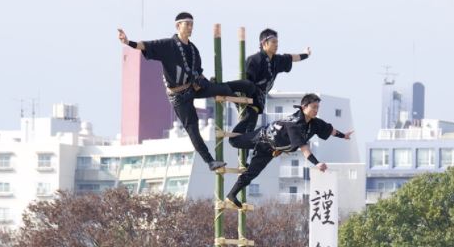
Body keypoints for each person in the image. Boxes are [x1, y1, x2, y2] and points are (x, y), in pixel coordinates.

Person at [117, 13, 257, 171]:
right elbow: (145, 45)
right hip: (178, 96)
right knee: (193, 128)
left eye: (192, 24)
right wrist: (128, 42)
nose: (190, 27)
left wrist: (204, 81)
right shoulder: (167, 44)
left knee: (222, 88)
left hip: (194, 87)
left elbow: (197, 71)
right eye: (187, 24)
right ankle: (210, 161)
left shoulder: (193, 49)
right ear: (178, 26)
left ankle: (249, 90)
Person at [225, 93, 354, 208]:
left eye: (317, 108)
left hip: (271, 150)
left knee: (252, 173)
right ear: (304, 107)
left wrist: (344, 136)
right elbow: (305, 150)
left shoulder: (315, 123)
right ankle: (249, 114)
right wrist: (317, 163)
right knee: (233, 141)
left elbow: (330, 130)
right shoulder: (295, 124)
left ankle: (231, 194)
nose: (316, 110)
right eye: (313, 107)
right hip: (262, 138)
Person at [233, 28, 311, 137]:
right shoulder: (254, 59)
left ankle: (242, 147)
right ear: (264, 43)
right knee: (245, 132)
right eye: (274, 42)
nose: (276, 44)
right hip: (248, 100)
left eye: (277, 42)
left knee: (249, 134)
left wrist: (306, 55)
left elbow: (291, 58)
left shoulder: (276, 60)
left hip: (258, 101)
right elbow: (246, 82)